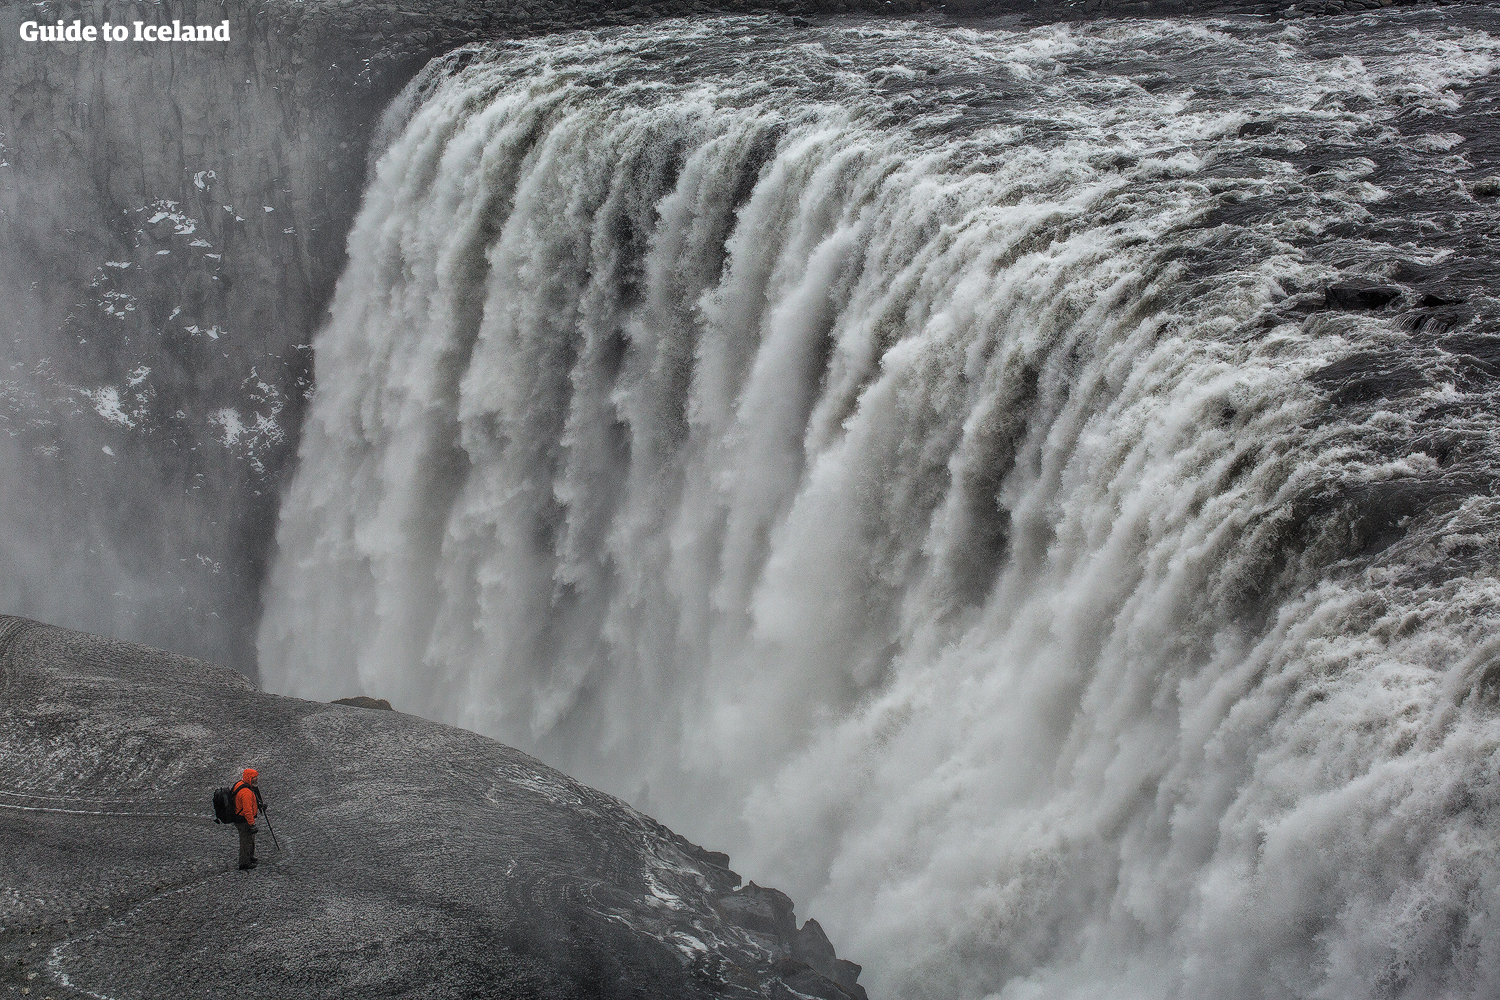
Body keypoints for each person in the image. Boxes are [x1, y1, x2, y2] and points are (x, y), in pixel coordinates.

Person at [232, 768, 263, 870]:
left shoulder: (241, 784)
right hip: (243, 820)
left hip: (240, 818)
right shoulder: (246, 792)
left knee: (250, 838)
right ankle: (244, 862)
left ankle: (250, 856)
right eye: (254, 777)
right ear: (250, 778)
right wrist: (252, 824)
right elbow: (247, 811)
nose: (256, 779)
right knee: (245, 841)